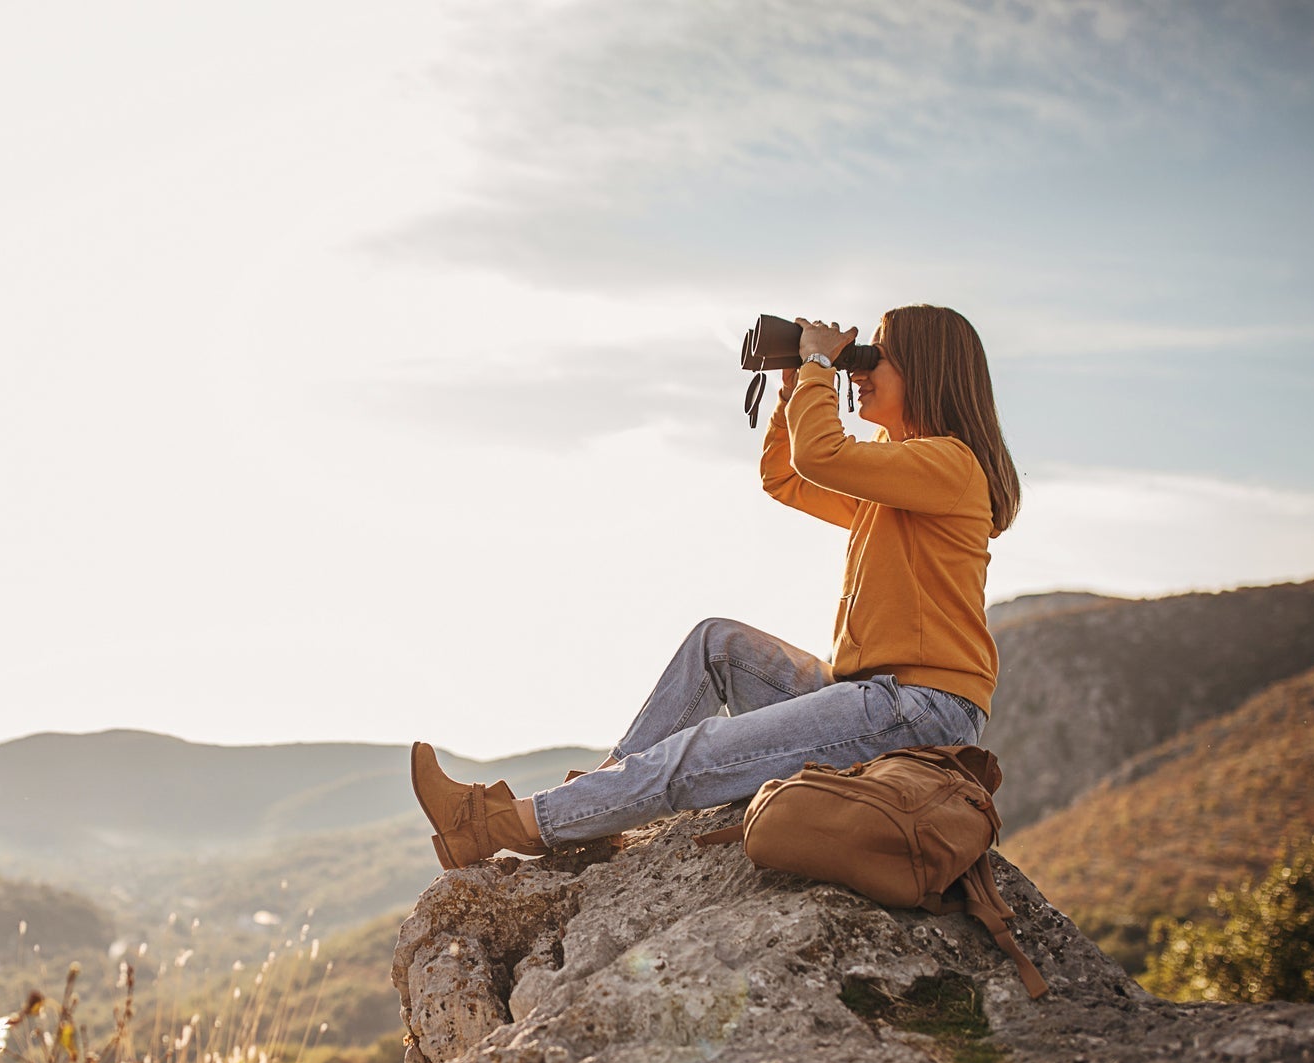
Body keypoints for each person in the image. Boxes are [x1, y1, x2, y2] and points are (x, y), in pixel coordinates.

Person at [411, 304, 1021, 871]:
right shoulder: (905, 478)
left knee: (702, 751)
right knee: (718, 643)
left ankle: (496, 824)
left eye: (877, 355)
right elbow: (786, 477)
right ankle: (594, 810)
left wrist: (815, 364)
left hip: (918, 711)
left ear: (927, 368)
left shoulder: (950, 465)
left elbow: (821, 456)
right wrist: (792, 386)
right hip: (872, 695)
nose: (858, 369)